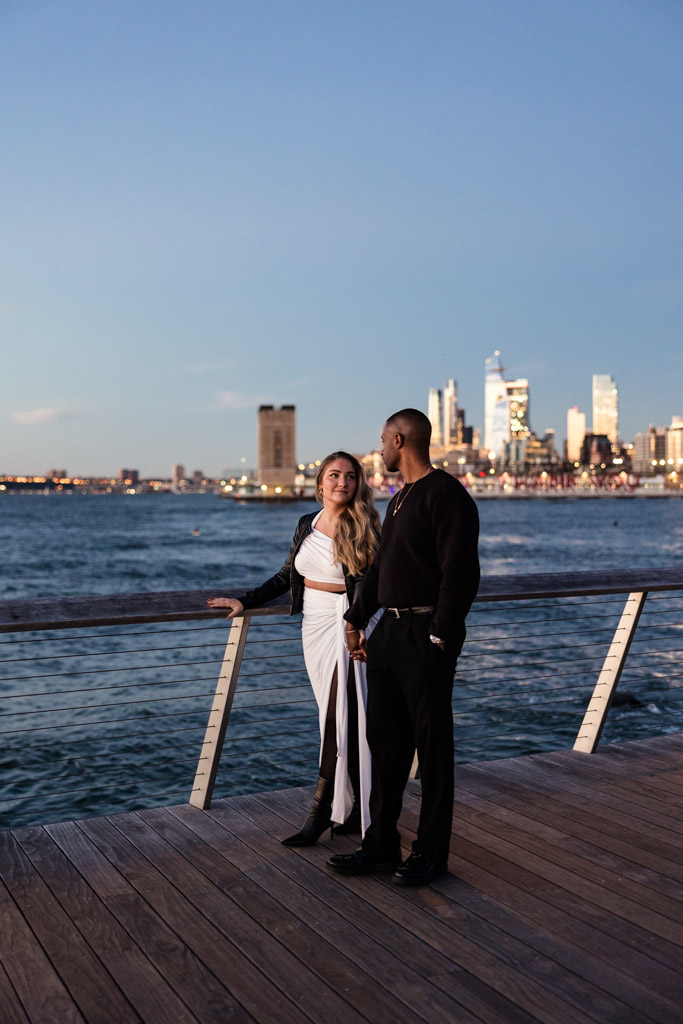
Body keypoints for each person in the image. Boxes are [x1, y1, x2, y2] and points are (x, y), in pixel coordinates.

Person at [327, 409, 480, 886]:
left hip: (424, 637)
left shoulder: (447, 495)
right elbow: (381, 571)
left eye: (382, 441)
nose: (380, 449)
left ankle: (432, 853)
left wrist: (440, 634)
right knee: (385, 745)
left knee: (432, 751)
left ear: (399, 440)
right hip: (387, 635)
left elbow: (461, 574)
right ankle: (380, 844)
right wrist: (356, 617)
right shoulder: (398, 500)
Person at [207, 452, 381, 846]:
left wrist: (359, 625)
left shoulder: (365, 523)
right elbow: (287, 575)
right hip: (314, 626)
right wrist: (244, 600)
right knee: (338, 719)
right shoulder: (307, 524)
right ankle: (351, 813)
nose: (342, 483)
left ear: (358, 484)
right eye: (334, 475)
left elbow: (372, 584)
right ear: (320, 483)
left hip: (351, 624)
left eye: (350, 477)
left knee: (337, 724)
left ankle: (320, 814)